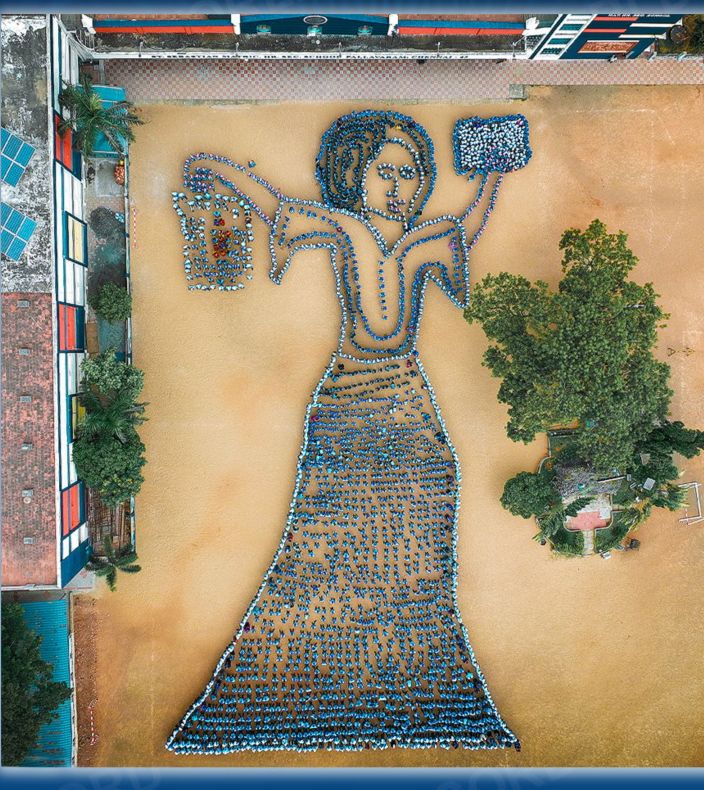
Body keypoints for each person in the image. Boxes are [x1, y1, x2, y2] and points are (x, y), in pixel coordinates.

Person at [166, 110, 529, 754]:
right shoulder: (343, 228)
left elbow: (469, 226)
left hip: (410, 407)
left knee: (419, 539)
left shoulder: (428, 239)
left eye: (412, 173)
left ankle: (415, 674)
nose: (402, 185)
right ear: (352, 175)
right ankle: (308, 674)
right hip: (347, 401)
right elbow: (275, 206)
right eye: (385, 171)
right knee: (322, 543)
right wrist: (221, 172)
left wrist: (493, 179)